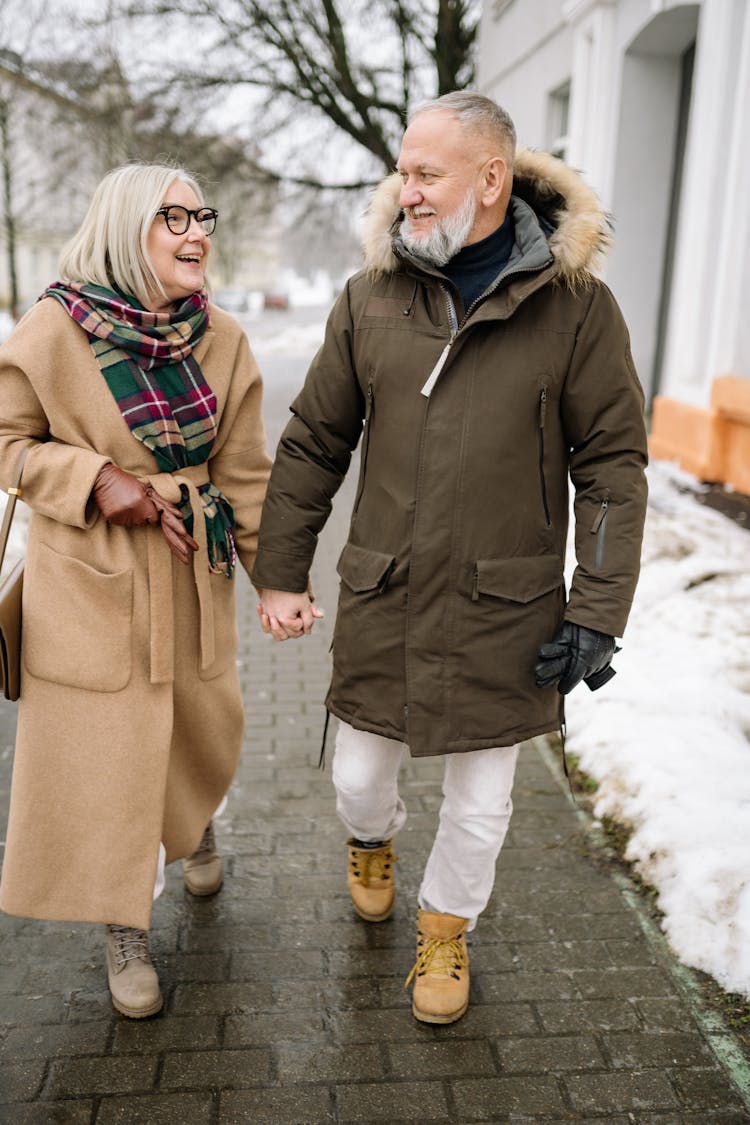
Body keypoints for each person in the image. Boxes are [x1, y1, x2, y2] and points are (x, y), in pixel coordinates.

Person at [253, 91, 648, 1025]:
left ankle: (445, 928)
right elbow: (313, 440)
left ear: (491, 177)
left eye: (425, 173)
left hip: (503, 607)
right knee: (357, 778)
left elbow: (613, 465)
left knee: (479, 804)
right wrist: (280, 567)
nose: (407, 192)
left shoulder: (578, 308)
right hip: (386, 590)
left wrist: (597, 607)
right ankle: (372, 839)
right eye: (403, 171)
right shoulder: (371, 297)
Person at [0, 162, 271, 1018]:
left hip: (192, 565)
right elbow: (6, 442)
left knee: (200, 721)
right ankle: (124, 923)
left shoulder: (221, 337)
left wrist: (280, 580)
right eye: (174, 218)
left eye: (203, 217)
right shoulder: (51, 330)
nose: (198, 233)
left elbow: (245, 471)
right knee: (107, 756)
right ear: (126, 229)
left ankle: (192, 819)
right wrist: (92, 479)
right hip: (88, 579)